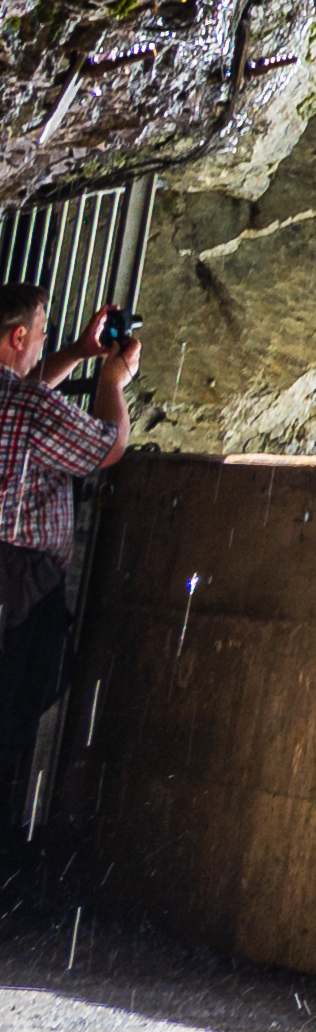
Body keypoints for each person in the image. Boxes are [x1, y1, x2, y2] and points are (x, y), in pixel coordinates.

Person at [0, 279, 135, 795]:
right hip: (20, 590)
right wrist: (112, 381)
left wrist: (78, 352)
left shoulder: (21, 401)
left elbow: (29, 386)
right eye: (41, 332)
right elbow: (109, 445)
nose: (42, 341)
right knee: (13, 716)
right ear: (18, 337)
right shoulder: (29, 408)